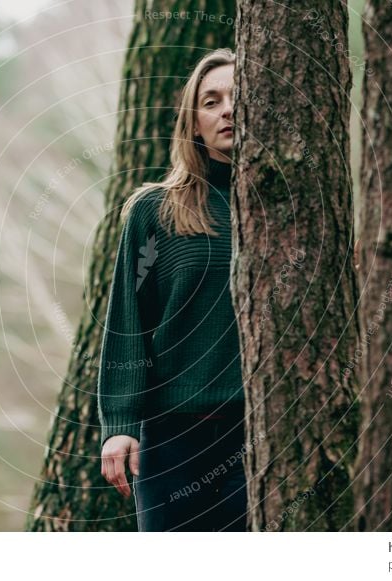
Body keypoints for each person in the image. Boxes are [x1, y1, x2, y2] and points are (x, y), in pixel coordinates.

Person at [97, 48, 248, 531]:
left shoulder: (292, 207)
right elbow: (128, 322)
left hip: (265, 432)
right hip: (174, 439)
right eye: (211, 100)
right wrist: (119, 426)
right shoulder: (157, 211)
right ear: (193, 123)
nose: (228, 109)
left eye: (238, 96)